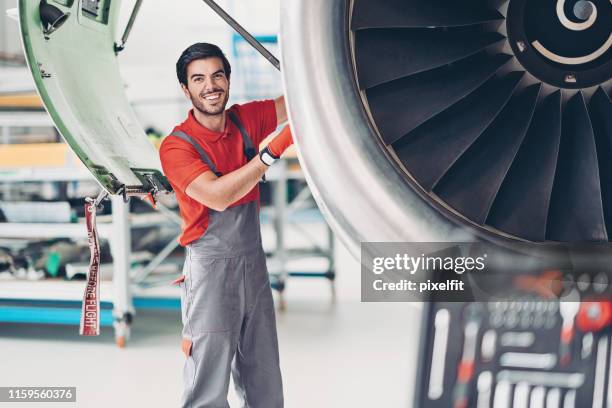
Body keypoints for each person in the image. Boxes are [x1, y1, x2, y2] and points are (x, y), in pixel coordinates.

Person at [159, 42, 292, 408]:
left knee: (264, 373)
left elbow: (297, 104)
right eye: (198, 79)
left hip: (253, 259)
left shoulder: (246, 119)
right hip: (210, 268)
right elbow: (217, 196)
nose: (210, 86)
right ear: (186, 90)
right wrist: (269, 154)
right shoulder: (176, 146)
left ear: (228, 80)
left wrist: (309, 69)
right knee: (208, 378)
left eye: (217, 75)